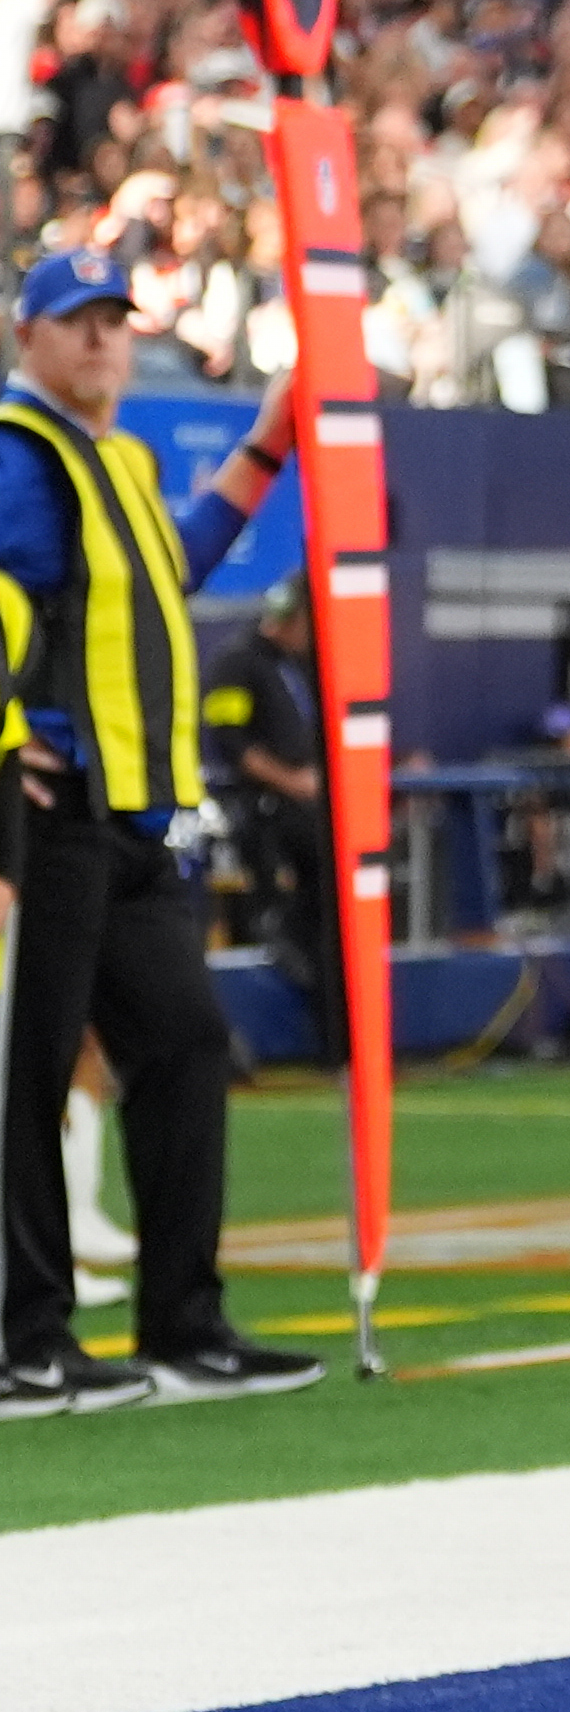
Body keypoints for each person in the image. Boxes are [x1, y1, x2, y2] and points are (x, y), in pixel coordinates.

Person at [0, 250, 309, 1410]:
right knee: (28, 1076)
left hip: (131, 819)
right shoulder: (18, 453)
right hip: (53, 818)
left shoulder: (114, 459)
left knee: (182, 1045)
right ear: (25, 337)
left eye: (114, 321)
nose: (100, 339)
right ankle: (24, 1338)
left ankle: (182, 1322)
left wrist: (269, 443)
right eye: (75, 320)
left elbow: (171, 568)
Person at [199, 574, 326, 1031]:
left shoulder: (297, 666)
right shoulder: (236, 663)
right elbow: (231, 744)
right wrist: (292, 782)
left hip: (308, 809)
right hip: (264, 814)